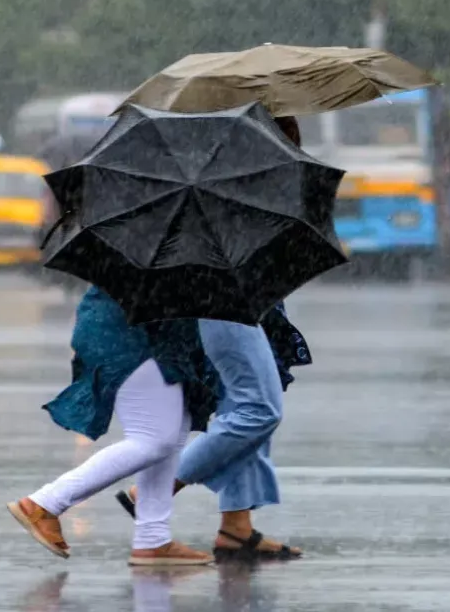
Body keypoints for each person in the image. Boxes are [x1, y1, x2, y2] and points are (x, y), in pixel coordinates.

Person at [114, 116, 312, 562]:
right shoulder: (231, 185)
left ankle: (237, 530)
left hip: (247, 305)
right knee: (258, 409)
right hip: (225, 304)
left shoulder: (251, 180)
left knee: (246, 405)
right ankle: (159, 489)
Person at [7, 285, 222, 566]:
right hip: (132, 337)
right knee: (153, 439)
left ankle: (152, 540)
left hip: (154, 337)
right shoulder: (158, 251)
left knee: (172, 433)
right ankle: (45, 503)